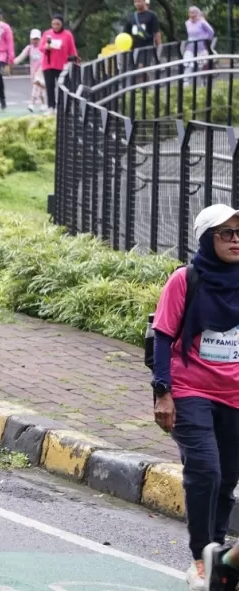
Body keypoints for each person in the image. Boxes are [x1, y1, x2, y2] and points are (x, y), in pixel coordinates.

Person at [150, 203, 239, 591]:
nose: (235, 240)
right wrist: (163, 394)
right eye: (226, 233)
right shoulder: (185, 280)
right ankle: (200, 557)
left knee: (228, 478)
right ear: (206, 238)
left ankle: (216, 555)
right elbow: (162, 336)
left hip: (235, 395)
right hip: (190, 391)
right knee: (206, 470)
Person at [39, 16, 78, 113]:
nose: (55, 26)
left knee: (63, 87)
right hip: (48, 65)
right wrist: (46, 47)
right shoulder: (47, 34)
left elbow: (72, 50)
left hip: (61, 65)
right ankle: (51, 107)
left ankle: (62, 107)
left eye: (58, 24)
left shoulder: (67, 35)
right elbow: (41, 47)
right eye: (53, 24)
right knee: (50, 86)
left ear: (62, 24)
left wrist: (76, 60)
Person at [15, 29, 46, 113]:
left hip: (43, 70)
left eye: (37, 39)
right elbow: (21, 57)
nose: (35, 41)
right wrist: (12, 62)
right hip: (33, 71)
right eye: (33, 39)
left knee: (37, 84)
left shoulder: (44, 48)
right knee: (39, 89)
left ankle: (31, 103)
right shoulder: (29, 48)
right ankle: (43, 104)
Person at [123, 0, 161, 66]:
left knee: (141, 68)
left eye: (139, 1)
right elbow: (125, 34)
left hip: (146, 48)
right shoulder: (130, 17)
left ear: (144, 1)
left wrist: (159, 47)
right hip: (134, 49)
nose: (137, 3)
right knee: (135, 72)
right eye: (135, 2)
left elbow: (156, 33)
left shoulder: (152, 15)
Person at [184, 7, 215, 78]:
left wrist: (206, 41)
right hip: (190, 47)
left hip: (202, 47)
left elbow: (211, 32)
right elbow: (189, 35)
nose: (192, 15)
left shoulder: (202, 22)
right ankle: (185, 85)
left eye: (193, 12)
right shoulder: (187, 23)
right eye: (190, 13)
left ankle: (203, 86)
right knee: (188, 65)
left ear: (197, 13)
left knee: (202, 67)